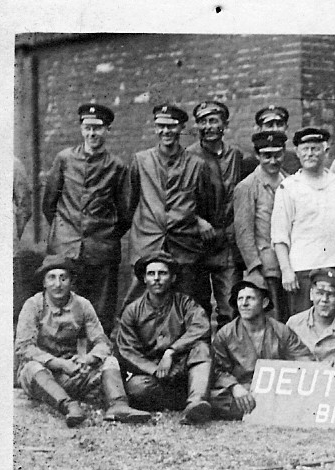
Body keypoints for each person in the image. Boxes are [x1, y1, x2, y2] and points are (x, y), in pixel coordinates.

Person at [15, 255, 151, 427]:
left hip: (74, 371)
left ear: (72, 281)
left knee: (109, 361)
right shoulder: (33, 305)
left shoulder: (82, 304)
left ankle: (118, 405)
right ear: (44, 283)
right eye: (52, 278)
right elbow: (23, 347)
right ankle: (69, 406)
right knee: (31, 367)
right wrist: (58, 363)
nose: (58, 284)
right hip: (43, 373)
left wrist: (88, 359)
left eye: (63, 278)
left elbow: (102, 342)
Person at [41, 104, 132, 334]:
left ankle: (98, 360)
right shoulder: (64, 159)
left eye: (98, 128)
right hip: (65, 250)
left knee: (100, 314)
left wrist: (103, 235)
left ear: (107, 130)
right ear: (81, 129)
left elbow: (125, 213)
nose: (92, 134)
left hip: (101, 250)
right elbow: (49, 204)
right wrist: (66, 231)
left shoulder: (117, 166)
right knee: (63, 310)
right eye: (87, 128)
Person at [123, 104, 216, 313]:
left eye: (172, 126)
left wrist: (197, 220)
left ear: (181, 128)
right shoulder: (141, 160)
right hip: (148, 243)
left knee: (190, 300)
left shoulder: (196, 164)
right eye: (161, 126)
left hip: (184, 245)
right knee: (137, 303)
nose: (166, 132)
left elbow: (205, 206)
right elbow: (129, 203)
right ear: (155, 128)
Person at [114, 251, 215, 424]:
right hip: (153, 375)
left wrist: (172, 351)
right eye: (151, 274)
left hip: (182, 367)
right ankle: (183, 398)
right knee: (136, 388)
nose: (157, 279)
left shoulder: (185, 303)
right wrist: (154, 369)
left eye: (162, 273)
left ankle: (195, 401)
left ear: (173, 278)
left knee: (202, 348)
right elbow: (126, 350)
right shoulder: (132, 310)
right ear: (144, 279)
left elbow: (201, 327)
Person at [272, 127, 335, 314]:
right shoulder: (288, 187)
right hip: (302, 272)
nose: (310, 154)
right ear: (298, 153)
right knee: (303, 330)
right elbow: (279, 236)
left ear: (325, 150)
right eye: (305, 149)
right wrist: (286, 271)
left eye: (315, 148)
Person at [209, 279, 315, 420]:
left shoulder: (281, 331)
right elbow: (217, 369)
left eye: (250, 298)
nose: (244, 303)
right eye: (240, 299)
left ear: (264, 303)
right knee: (214, 398)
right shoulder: (225, 334)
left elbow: (303, 359)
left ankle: (264, 408)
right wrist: (234, 387)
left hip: (274, 389)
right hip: (242, 391)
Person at [186, 101, 242, 329]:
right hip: (195, 243)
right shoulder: (187, 156)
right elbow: (177, 196)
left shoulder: (237, 156)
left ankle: (228, 359)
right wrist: (196, 221)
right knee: (197, 310)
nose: (207, 126)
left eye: (213, 121)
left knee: (230, 306)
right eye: (202, 121)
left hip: (227, 244)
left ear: (224, 124)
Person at [234, 131, 291, 321]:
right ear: (257, 156)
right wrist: (254, 269)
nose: (273, 161)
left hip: (292, 264)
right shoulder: (247, 186)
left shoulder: (291, 182)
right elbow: (244, 233)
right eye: (267, 156)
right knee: (272, 321)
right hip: (267, 269)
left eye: (277, 155)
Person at [238, 105, 301, 180]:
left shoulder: (295, 159)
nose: (275, 129)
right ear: (259, 129)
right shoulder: (249, 163)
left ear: (286, 127)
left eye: (279, 125)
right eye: (269, 125)